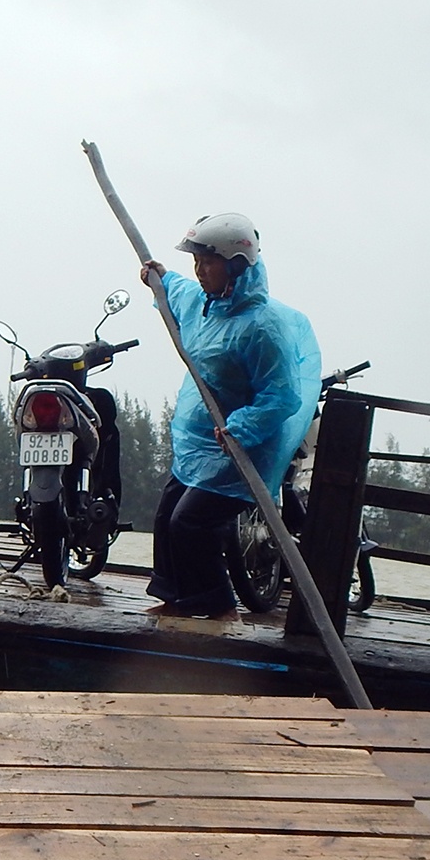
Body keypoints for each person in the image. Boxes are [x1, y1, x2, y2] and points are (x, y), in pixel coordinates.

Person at [142, 213, 321, 618]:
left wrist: (242, 428)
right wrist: (161, 279)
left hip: (244, 445)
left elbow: (282, 396)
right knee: (168, 514)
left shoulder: (263, 327)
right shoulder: (209, 306)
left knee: (191, 521)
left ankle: (218, 606)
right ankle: (176, 597)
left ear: (237, 266)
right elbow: (182, 294)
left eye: (208, 262)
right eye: (197, 261)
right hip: (203, 443)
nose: (200, 270)